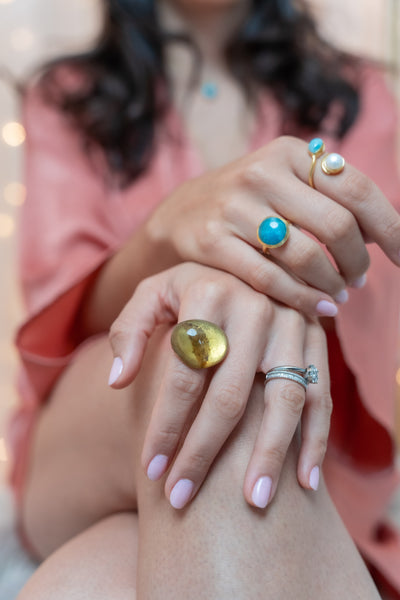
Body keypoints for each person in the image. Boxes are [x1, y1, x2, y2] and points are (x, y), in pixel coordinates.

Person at [7, 0, 400, 597]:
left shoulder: (356, 94)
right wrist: (160, 240)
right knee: (209, 355)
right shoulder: (69, 93)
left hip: (314, 443)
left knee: (85, 584)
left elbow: (361, 295)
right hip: (91, 431)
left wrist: (216, 286)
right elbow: (64, 315)